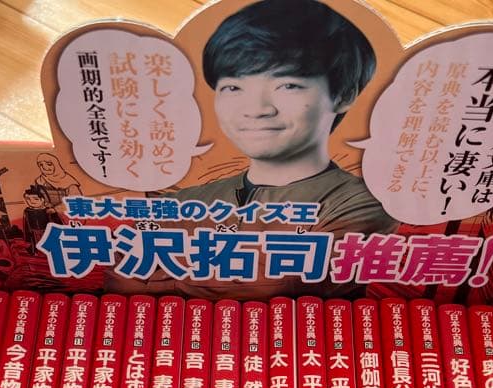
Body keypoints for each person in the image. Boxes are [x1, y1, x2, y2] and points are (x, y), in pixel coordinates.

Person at [132, 0, 395, 298]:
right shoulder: (186, 200)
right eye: (233, 87)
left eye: (288, 85)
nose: (256, 109)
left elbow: (280, 284)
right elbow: (119, 274)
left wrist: (162, 276)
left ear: (343, 95)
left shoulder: (364, 202)